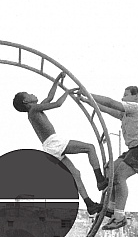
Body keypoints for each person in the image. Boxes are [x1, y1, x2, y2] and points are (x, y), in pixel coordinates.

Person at [13, 72, 106, 216]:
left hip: (50, 147)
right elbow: (57, 103)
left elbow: (50, 97)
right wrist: (67, 92)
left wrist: (57, 80)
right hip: (54, 143)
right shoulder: (33, 109)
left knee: (76, 173)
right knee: (90, 148)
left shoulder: (34, 110)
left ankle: (89, 204)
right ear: (26, 102)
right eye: (29, 94)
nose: (33, 94)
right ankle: (99, 179)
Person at [74, 86, 138, 230]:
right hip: (135, 149)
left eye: (125, 95)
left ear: (136, 96)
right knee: (109, 168)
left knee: (119, 177)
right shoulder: (126, 114)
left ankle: (119, 217)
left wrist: (88, 92)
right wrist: (86, 100)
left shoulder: (136, 107)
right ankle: (112, 208)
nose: (122, 98)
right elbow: (105, 108)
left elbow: (111, 103)